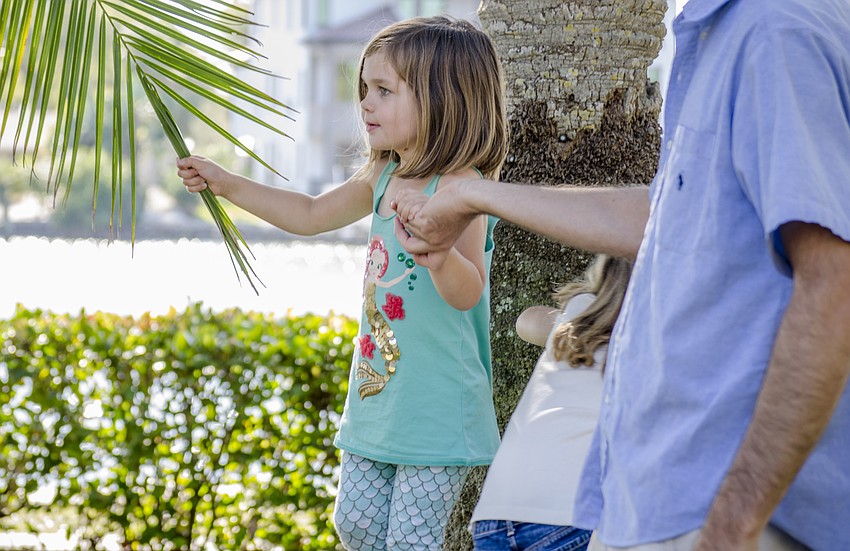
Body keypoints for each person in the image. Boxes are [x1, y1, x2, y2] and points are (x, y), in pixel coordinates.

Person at [391, 0, 850, 549]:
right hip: (655, 508)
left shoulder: (776, 31)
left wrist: (730, 528)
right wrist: (472, 195)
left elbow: (835, 283)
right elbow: (665, 216)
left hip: (721, 514)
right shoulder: (724, 34)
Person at [177, 16, 508, 549]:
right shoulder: (383, 175)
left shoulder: (462, 186)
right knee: (354, 525)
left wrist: (438, 252)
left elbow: (468, 292)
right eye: (364, 90)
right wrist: (226, 182)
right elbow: (309, 214)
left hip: (439, 407)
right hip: (377, 397)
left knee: (410, 542)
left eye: (383, 90)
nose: (365, 104)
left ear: (441, 97)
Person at [470, 255, 632, 551]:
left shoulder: (578, 313)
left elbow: (526, 321)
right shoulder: (653, 344)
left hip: (496, 512)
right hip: (569, 513)